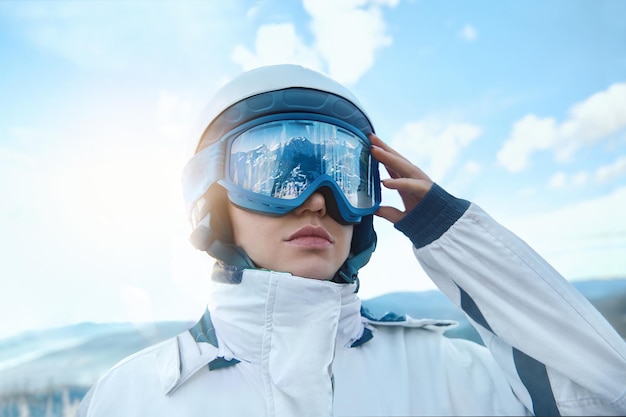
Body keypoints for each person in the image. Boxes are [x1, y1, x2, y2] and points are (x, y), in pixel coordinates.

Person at [75, 64, 626, 417]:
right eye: (279, 176)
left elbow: (602, 398)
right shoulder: (132, 397)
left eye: (345, 175)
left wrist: (450, 233)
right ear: (214, 199)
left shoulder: (447, 372)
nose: (318, 199)